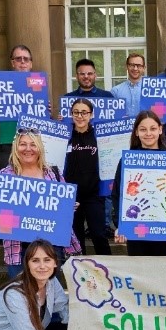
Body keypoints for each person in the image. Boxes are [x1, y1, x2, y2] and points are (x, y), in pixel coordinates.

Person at [0, 129, 76, 277]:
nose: (28, 149)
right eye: (23, 144)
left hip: (51, 246)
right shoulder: (4, 176)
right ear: (16, 147)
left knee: (50, 294)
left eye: (33, 144)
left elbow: (62, 210)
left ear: (40, 148)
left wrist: (69, 206)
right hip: (18, 248)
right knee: (20, 295)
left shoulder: (53, 173)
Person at [112, 111, 166, 256]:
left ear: (160, 129)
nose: (148, 133)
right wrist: (120, 225)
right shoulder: (127, 161)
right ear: (136, 132)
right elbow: (116, 194)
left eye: (152, 128)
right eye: (143, 129)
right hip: (136, 231)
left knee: (163, 275)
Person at [63, 98, 112, 256]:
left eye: (84, 112)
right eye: (76, 112)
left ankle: (108, 272)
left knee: (99, 234)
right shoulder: (65, 135)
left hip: (94, 194)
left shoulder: (100, 135)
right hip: (70, 196)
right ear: (71, 114)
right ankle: (78, 276)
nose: (80, 116)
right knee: (76, 238)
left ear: (91, 115)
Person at [0, 45, 35, 169]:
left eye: (26, 59)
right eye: (18, 59)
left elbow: (45, 116)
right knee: (8, 184)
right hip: (8, 141)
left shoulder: (39, 85)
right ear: (12, 63)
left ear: (31, 64)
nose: (23, 62)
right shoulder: (0, 85)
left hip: (33, 142)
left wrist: (48, 112)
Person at [110, 53, 145, 117]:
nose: (135, 68)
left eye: (139, 66)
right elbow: (111, 115)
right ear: (127, 67)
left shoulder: (152, 90)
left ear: (144, 68)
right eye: (132, 65)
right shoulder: (116, 91)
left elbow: (160, 115)